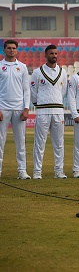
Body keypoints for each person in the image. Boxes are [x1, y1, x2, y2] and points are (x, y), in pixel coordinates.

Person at [31, 45, 68, 179]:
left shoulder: (63, 72)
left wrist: (56, 102)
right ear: (45, 55)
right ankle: (37, 171)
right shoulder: (37, 72)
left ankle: (59, 171)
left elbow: (63, 92)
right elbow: (33, 93)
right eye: (51, 53)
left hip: (58, 111)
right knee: (40, 143)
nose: (54, 55)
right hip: (42, 111)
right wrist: (40, 104)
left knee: (59, 143)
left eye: (55, 53)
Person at [0, 40, 31, 179]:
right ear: (4, 50)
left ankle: (22, 171)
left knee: (21, 141)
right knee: (1, 141)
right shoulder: (0, 66)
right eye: (9, 48)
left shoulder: (22, 67)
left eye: (14, 48)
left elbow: (26, 90)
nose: (11, 50)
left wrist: (26, 108)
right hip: (3, 108)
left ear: (17, 50)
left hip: (19, 108)